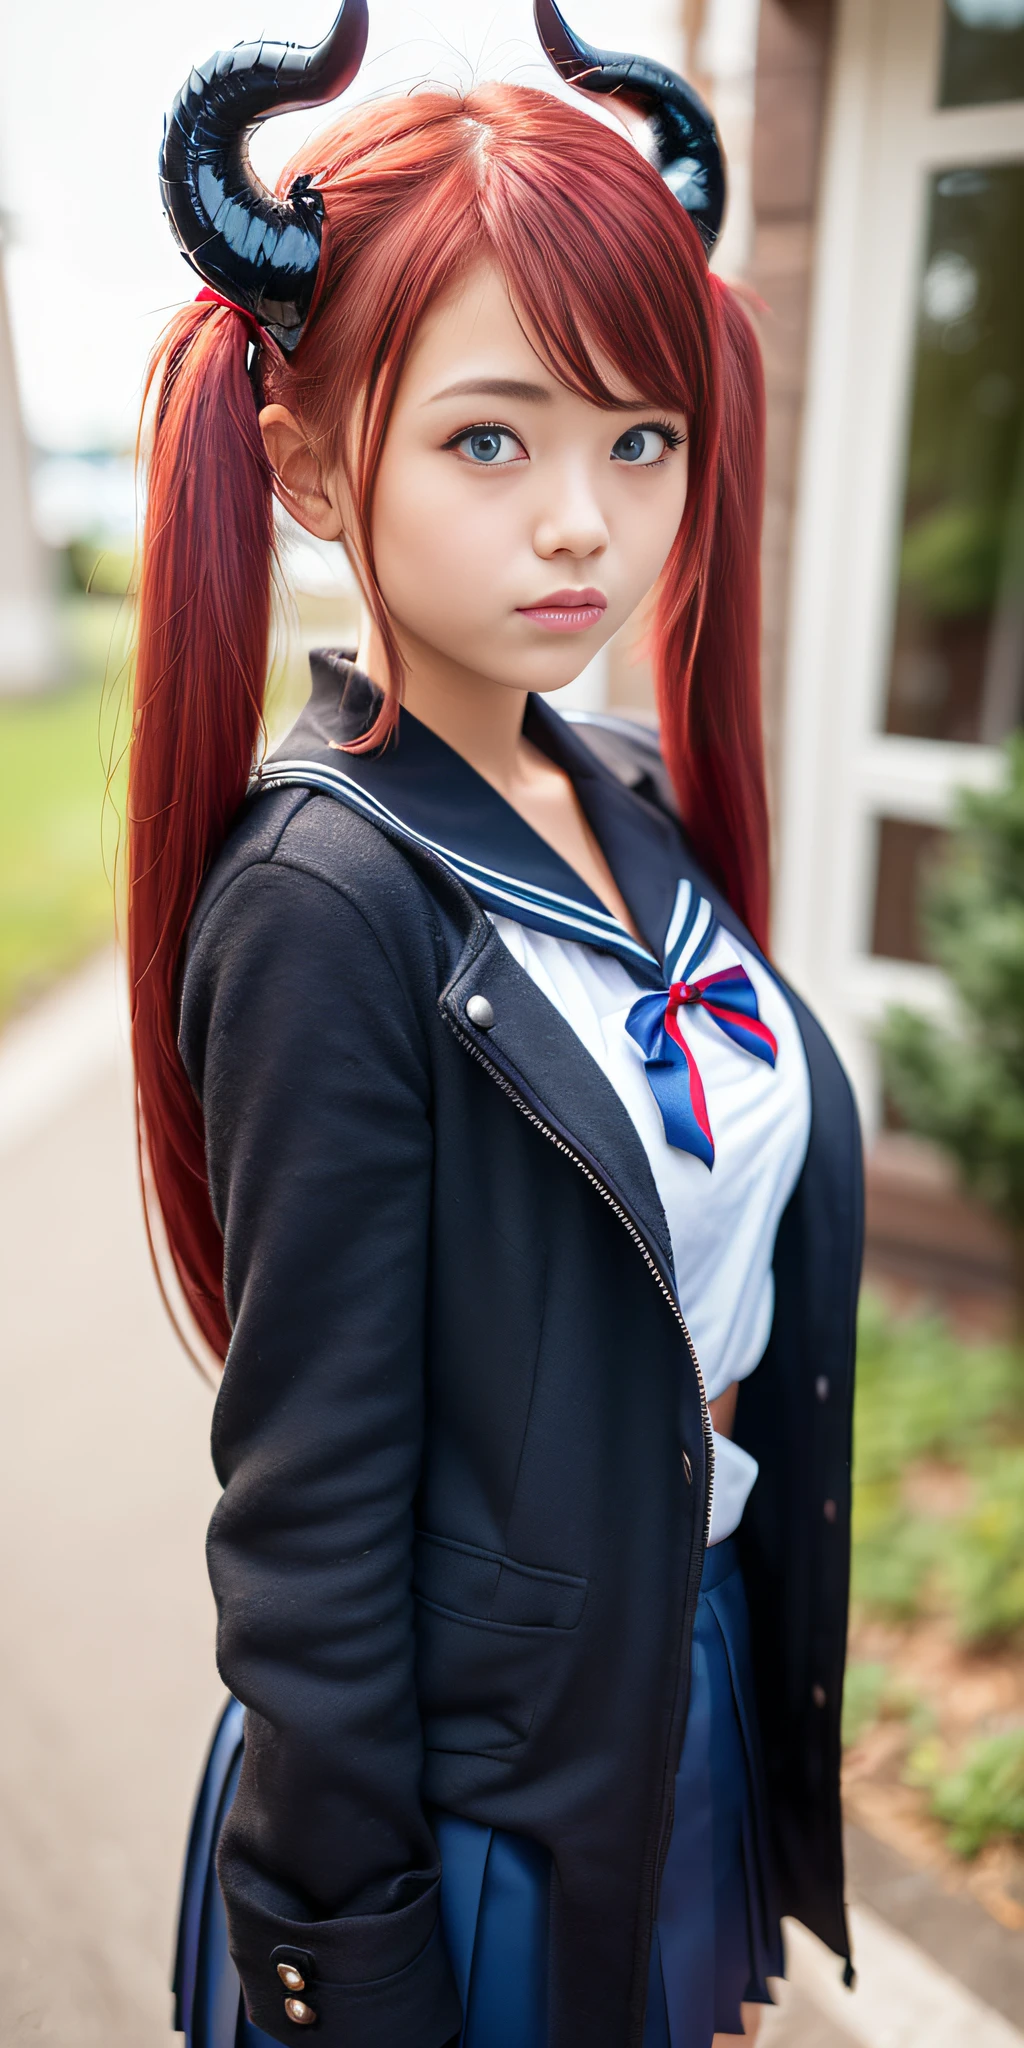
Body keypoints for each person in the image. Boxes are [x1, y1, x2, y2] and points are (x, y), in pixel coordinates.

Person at [130, 5, 863, 2045]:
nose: (581, 522)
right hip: (467, 1814)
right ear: (300, 462)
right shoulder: (323, 905)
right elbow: (311, 1531)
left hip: (677, 1674)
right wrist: (350, 1963)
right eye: (490, 436)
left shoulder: (624, 787)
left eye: (638, 439)